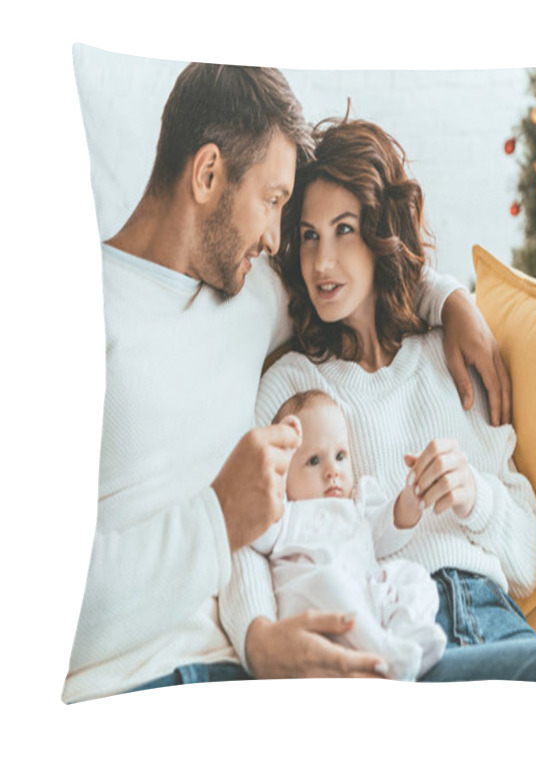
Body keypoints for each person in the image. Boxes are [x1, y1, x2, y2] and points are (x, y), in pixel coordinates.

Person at [63, 64, 510, 702]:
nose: (277, 238)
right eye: (273, 202)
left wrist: (451, 301)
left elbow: (359, 272)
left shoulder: (250, 291)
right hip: (135, 689)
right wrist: (218, 520)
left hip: (266, 681)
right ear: (209, 174)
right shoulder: (77, 310)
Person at [221, 118, 536, 692]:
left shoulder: (452, 355)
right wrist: (257, 636)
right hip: (396, 633)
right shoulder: (293, 385)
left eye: (344, 230)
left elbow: (525, 563)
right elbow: (246, 528)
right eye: (311, 236)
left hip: (495, 620)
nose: (321, 263)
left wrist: (475, 496)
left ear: (380, 234)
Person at [250, 390, 446, 680]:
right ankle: (384, 654)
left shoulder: (359, 505)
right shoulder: (288, 513)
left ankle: (406, 637)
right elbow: (256, 534)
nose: (332, 471)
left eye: (340, 456)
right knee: (328, 581)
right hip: (317, 607)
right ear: (286, 474)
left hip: (367, 598)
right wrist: (268, 488)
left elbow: (389, 531)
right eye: (314, 461)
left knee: (413, 576)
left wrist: (411, 498)